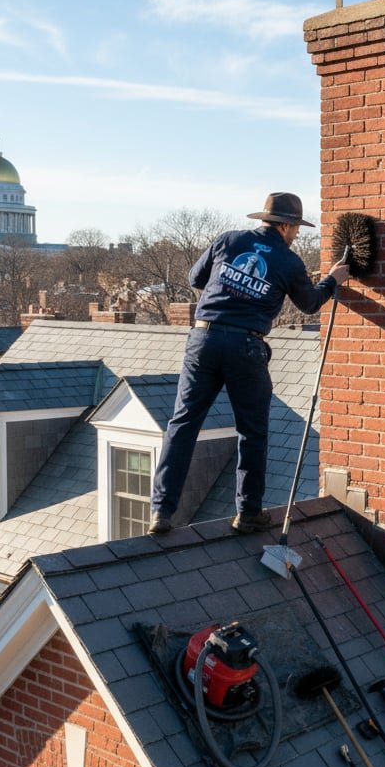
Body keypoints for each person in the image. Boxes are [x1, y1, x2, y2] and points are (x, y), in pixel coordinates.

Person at [149, 193, 350, 535]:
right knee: (252, 431)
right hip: (245, 345)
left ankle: (161, 513)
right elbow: (310, 304)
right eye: (296, 228)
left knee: (182, 425)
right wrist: (332, 279)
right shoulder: (288, 262)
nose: (297, 234)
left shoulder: (228, 240)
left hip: (203, 340)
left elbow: (196, 279)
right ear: (285, 225)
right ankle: (248, 513)